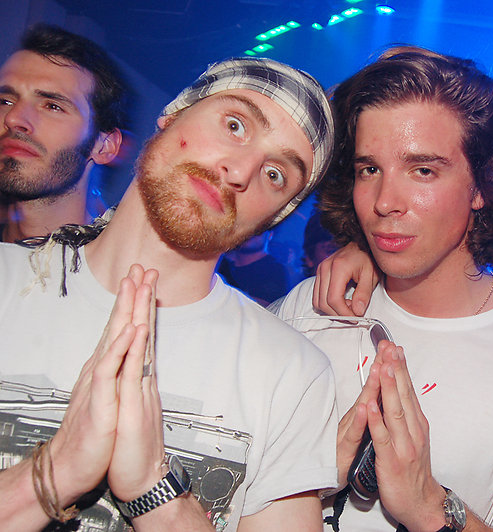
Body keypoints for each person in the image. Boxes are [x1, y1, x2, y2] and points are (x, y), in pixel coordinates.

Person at [0, 56, 337, 531]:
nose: (240, 170)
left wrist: (154, 492)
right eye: (235, 125)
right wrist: (54, 473)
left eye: (276, 174)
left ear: (274, 217)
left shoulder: (291, 373)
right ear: (174, 114)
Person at [272, 46, 493, 532]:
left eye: (423, 170)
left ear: (480, 186)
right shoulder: (315, 303)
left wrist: (430, 507)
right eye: (369, 169)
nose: (385, 201)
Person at [0, 24, 128, 242]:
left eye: (52, 106)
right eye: (5, 101)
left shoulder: (120, 262)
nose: (13, 119)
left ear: (104, 146)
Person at [217, 230, 291, 306]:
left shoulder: (275, 270)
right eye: (248, 229)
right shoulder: (220, 263)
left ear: (270, 235)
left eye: (258, 231)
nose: (251, 234)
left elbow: (267, 307)